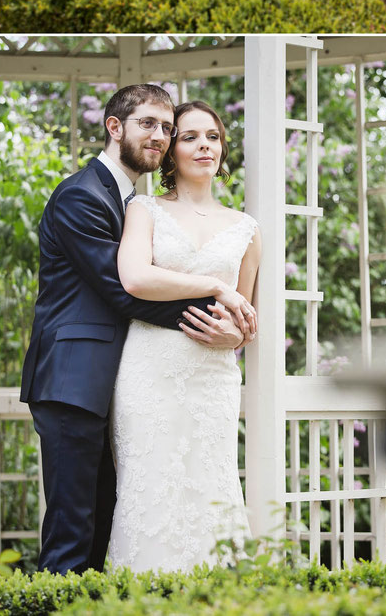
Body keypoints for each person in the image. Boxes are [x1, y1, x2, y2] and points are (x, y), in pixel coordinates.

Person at [20, 84, 255, 576]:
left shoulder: (127, 199)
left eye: (166, 128)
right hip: (73, 379)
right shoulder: (82, 197)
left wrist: (233, 334)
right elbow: (125, 291)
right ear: (114, 127)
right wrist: (217, 308)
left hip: (118, 379)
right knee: (72, 526)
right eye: (149, 124)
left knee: (102, 521)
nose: (160, 136)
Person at [109, 99, 261, 572]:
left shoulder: (247, 229)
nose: (203, 146)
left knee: (212, 486)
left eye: (212, 137)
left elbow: (247, 315)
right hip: (149, 370)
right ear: (172, 152)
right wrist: (214, 286)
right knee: (149, 485)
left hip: (212, 377)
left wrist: (234, 338)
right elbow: (135, 278)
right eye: (190, 137)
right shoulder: (144, 209)